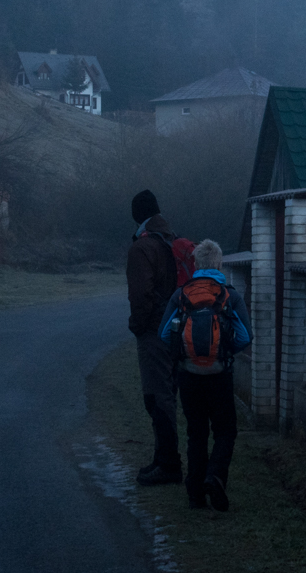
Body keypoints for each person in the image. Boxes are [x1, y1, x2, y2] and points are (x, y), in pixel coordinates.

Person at [159, 239, 252, 511]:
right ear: (219, 264)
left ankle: (195, 493)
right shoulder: (229, 295)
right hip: (219, 375)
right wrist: (225, 352)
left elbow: (164, 334)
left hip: (188, 375)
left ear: (196, 264)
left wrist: (183, 354)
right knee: (225, 431)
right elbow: (246, 335)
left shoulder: (181, 294)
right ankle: (215, 477)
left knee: (196, 433)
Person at [126, 189, 182, 486]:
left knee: (156, 396)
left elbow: (141, 296)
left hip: (153, 332)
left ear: (137, 215)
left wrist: (137, 325)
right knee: (167, 393)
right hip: (175, 328)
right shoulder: (171, 239)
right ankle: (163, 458)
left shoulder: (142, 247)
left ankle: (169, 465)